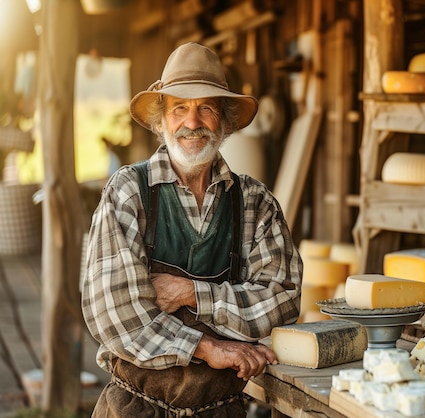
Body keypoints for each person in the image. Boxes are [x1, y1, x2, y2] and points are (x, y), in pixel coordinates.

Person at [81, 42, 303, 418]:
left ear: (225, 119)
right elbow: (117, 316)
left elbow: (282, 302)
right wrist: (208, 347)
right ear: (161, 120)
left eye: (206, 108)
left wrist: (192, 293)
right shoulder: (128, 191)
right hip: (135, 408)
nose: (193, 122)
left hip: (222, 410)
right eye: (180, 108)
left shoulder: (255, 202)